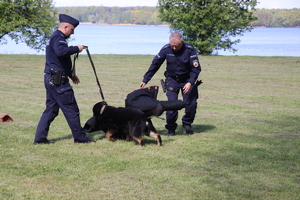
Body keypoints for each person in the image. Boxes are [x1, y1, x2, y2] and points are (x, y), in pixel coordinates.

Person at [34, 14, 93, 144]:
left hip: (52, 78)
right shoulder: (58, 38)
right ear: (65, 27)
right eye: (72, 30)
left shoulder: (55, 38)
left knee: (51, 110)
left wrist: (71, 75)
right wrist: (76, 48)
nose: (72, 33)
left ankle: (40, 139)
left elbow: (59, 59)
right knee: (71, 109)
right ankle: (81, 139)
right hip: (58, 81)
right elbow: (61, 52)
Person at [139, 32, 201, 136]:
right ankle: (171, 129)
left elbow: (196, 68)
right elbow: (155, 64)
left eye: (176, 46)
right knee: (171, 105)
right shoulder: (166, 49)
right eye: (172, 46)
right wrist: (145, 79)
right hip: (172, 79)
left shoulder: (189, 49)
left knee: (191, 104)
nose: (174, 48)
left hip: (187, 79)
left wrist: (190, 82)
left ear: (182, 42)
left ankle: (187, 123)